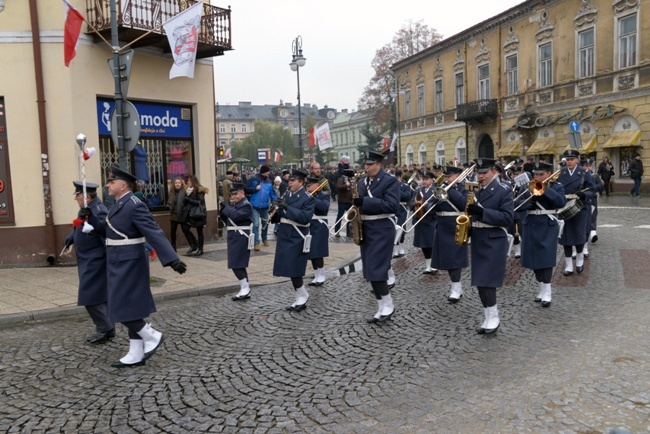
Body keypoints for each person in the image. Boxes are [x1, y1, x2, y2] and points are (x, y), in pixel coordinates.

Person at [104, 165, 186, 368]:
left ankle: (152, 335)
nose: (108, 184)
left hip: (129, 262)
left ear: (123, 186)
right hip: (119, 260)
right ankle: (135, 352)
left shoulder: (134, 204)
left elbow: (153, 232)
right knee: (132, 307)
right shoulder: (117, 204)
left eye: (111, 181)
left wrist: (171, 258)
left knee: (121, 306)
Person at [465, 158, 514, 334]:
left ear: (494, 171)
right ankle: (487, 315)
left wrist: (483, 213)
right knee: (480, 280)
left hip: (494, 238)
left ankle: (494, 316)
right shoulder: (475, 191)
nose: (480, 176)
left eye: (484, 172)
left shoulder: (503, 191)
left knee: (488, 280)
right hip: (478, 237)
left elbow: (508, 218)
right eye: (478, 173)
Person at [63, 181, 114, 345]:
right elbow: (81, 226)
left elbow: (102, 231)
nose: (75, 199)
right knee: (99, 295)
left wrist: (90, 217)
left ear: (86, 196)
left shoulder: (98, 210)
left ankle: (104, 327)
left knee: (89, 297)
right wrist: (71, 238)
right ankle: (108, 328)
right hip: (86, 258)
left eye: (77, 195)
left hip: (96, 259)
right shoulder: (86, 209)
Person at [355, 151, 400, 324]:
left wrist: (365, 202)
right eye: (365, 164)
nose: (366, 167)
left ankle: (389, 304)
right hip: (366, 228)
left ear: (379, 164)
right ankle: (381, 306)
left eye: (370, 164)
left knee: (377, 269)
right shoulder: (362, 182)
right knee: (369, 270)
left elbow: (392, 205)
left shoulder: (389, 181)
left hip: (382, 228)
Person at [518, 162, 566, 307]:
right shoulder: (527, 186)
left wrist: (545, 189)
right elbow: (517, 205)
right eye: (536, 174)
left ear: (549, 173)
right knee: (533, 259)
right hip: (531, 224)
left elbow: (561, 202)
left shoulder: (556, 186)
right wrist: (529, 202)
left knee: (545, 259)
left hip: (547, 224)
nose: (538, 177)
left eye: (541, 174)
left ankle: (547, 291)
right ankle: (541, 288)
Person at [272, 169, 315, 311]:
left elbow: (305, 218)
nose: (289, 182)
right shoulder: (287, 195)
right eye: (289, 180)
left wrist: (287, 208)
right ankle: (300, 295)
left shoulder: (307, 198)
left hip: (297, 236)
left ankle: (302, 296)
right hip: (285, 234)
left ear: (301, 182)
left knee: (295, 268)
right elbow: (282, 215)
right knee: (288, 268)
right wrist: (274, 214)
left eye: (293, 180)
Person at [430, 166, 470, 303]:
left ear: (458, 176)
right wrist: (434, 199)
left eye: (449, 177)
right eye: (445, 177)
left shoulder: (465, 187)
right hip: (442, 226)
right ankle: (456, 286)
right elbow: (432, 207)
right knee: (447, 259)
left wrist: (450, 189)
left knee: (455, 259)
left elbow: (464, 204)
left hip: (457, 225)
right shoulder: (440, 187)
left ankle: (456, 287)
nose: (446, 179)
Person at [557, 149, 597, 276]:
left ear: (577, 160)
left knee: (579, 236)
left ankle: (579, 260)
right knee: (566, 238)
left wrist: (583, 194)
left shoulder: (584, 173)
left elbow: (592, 190)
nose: (569, 162)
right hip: (565, 208)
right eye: (567, 160)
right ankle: (568, 265)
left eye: (571, 159)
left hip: (580, 207)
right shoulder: (560, 173)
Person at [220, 182, 254, 300]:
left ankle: (245, 288)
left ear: (242, 193)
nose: (233, 197)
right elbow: (227, 217)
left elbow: (235, 216)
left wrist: (227, 207)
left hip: (241, 237)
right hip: (234, 236)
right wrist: (223, 209)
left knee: (237, 264)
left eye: (236, 194)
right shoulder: (236, 204)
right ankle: (245, 287)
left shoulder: (246, 205)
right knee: (237, 264)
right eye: (232, 195)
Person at [245, 165, 278, 251]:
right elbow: (245, 188)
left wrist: (278, 200)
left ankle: (264, 239)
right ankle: (256, 243)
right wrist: (254, 189)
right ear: (264, 172)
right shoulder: (254, 179)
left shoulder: (269, 182)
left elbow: (271, 194)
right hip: (254, 206)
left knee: (265, 224)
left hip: (265, 207)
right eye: (268, 172)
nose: (269, 174)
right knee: (256, 224)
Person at [410, 170, 437, 274]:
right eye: (423, 179)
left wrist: (425, 205)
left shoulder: (435, 190)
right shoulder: (418, 191)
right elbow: (411, 203)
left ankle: (434, 265)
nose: (424, 181)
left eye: (426, 179)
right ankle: (427, 265)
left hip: (431, 220)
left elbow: (435, 204)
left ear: (431, 180)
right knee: (424, 244)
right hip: (420, 220)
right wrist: (416, 205)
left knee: (431, 243)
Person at [305, 176, 330, 286]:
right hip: (309, 225)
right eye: (307, 186)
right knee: (311, 252)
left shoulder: (324, 195)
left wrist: (312, 198)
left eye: (310, 185)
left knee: (318, 251)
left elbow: (324, 207)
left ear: (317, 185)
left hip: (320, 225)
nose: (308, 187)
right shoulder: (306, 196)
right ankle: (316, 275)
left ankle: (321, 275)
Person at [182, 175, 209, 256]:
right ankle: (194, 244)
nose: (187, 182)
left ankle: (200, 249)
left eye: (189, 181)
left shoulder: (199, 190)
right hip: (190, 213)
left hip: (198, 213)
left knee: (199, 231)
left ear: (193, 182)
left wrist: (188, 199)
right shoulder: (188, 190)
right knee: (185, 228)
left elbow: (200, 202)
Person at [168, 177, 193, 252]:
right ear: (174, 184)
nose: (177, 184)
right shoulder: (172, 192)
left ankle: (193, 244)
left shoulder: (184, 191)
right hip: (173, 215)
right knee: (173, 231)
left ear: (181, 184)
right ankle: (173, 247)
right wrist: (168, 206)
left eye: (179, 183)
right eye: (176, 183)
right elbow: (170, 201)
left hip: (182, 214)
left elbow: (187, 202)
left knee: (186, 230)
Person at [393, 170, 412, 258]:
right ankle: (396, 249)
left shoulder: (405, 186)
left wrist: (397, 191)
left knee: (401, 228)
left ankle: (401, 247)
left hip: (402, 209)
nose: (396, 179)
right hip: (393, 209)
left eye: (397, 178)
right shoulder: (390, 187)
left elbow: (407, 196)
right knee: (394, 229)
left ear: (400, 178)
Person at [335, 167, 354, 238]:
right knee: (340, 217)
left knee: (350, 218)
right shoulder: (341, 179)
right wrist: (346, 185)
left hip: (350, 201)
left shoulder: (352, 179)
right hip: (342, 201)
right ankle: (337, 231)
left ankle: (349, 232)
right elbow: (338, 187)